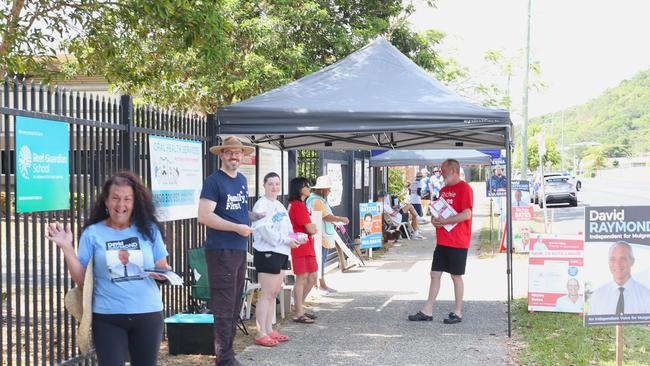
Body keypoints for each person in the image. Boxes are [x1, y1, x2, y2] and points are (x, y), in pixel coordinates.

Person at [46, 171, 171, 366]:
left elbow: (162, 267)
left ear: (135, 202)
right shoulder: (92, 233)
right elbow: (82, 281)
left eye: (127, 199)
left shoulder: (149, 229)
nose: (121, 205)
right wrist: (67, 248)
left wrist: (164, 273)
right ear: (106, 201)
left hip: (148, 314)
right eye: (115, 198)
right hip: (107, 317)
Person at [197, 136, 258, 366]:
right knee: (223, 305)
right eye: (230, 152)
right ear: (221, 155)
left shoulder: (241, 179)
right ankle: (224, 359)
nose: (234, 156)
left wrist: (255, 217)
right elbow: (205, 216)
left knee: (234, 304)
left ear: (243, 156)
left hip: (239, 249)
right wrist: (237, 227)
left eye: (238, 153)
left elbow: (236, 212)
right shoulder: (213, 181)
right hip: (221, 250)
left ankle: (228, 355)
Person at [408, 159, 473, 324]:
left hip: (458, 240)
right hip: (442, 240)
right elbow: (439, 210)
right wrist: (435, 220)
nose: (441, 175)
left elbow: (467, 214)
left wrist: (445, 221)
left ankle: (457, 312)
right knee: (435, 274)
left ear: (453, 171)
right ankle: (427, 310)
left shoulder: (465, 189)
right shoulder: (444, 190)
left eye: (443, 172)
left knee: (456, 276)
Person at [251, 172, 304, 347]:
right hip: (268, 252)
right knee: (266, 294)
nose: (274, 187)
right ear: (264, 186)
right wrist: (285, 240)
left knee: (274, 293)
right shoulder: (261, 205)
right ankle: (261, 332)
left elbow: (287, 228)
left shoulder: (280, 205)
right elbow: (265, 231)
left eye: (277, 184)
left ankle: (270, 329)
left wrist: (295, 237)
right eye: (271, 184)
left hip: (282, 252)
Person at [306, 175, 350, 292]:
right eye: (328, 188)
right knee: (320, 259)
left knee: (320, 259)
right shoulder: (317, 201)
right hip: (320, 235)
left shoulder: (315, 199)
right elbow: (326, 216)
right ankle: (321, 284)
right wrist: (340, 219)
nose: (330, 191)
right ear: (323, 189)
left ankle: (318, 283)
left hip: (320, 234)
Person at [587, 241, 650, 315]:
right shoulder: (597, 296)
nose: (617, 264)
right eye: (613, 259)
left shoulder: (646, 296)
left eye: (622, 259)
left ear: (632, 261)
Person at [287, 177, 319, 324]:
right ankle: (299, 311)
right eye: (306, 186)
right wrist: (313, 229)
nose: (308, 188)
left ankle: (298, 305)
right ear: (299, 188)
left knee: (312, 277)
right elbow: (310, 228)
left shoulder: (301, 204)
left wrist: (312, 229)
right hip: (300, 244)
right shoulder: (297, 205)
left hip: (307, 244)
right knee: (303, 277)